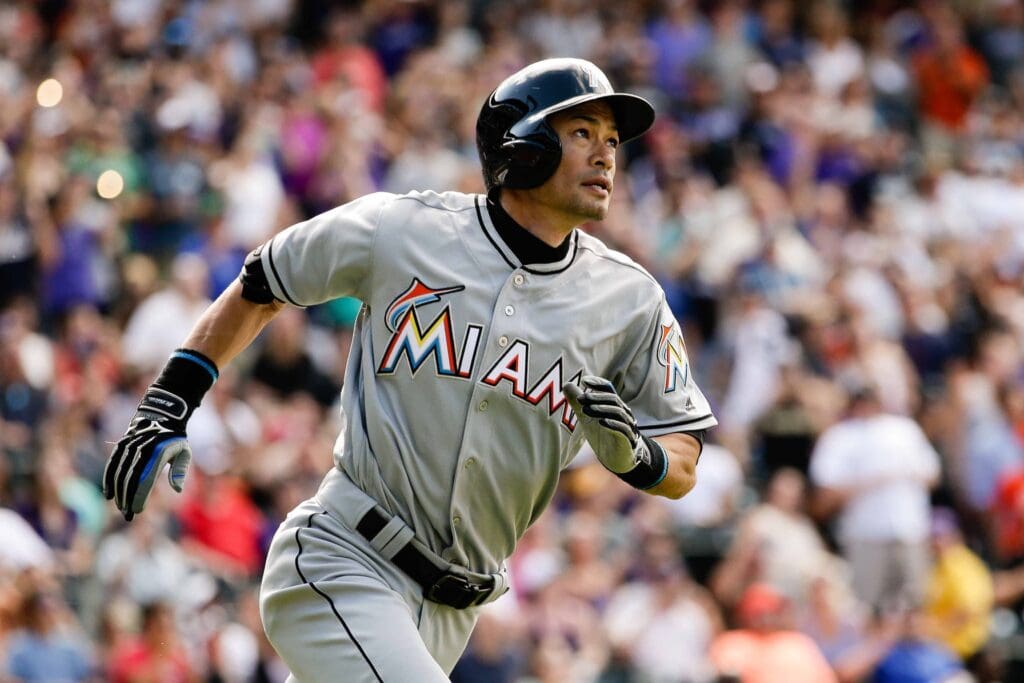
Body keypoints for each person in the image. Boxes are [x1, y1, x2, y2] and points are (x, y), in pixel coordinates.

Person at [102, 58, 717, 681]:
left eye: (612, 140)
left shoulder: (630, 299)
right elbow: (263, 282)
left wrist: (641, 458)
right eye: (583, 132)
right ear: (521, 144)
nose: (606, 155)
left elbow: (685, 453)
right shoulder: (404, 228)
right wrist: (168, 403)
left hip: (453, 613)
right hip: (344, 558)